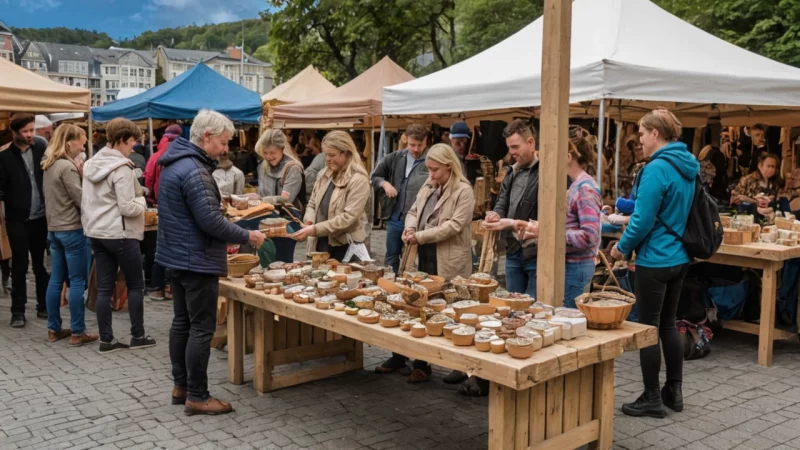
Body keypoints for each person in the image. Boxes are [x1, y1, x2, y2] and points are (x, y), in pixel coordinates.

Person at [158, 109, 265, 415]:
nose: (225, 148)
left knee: (182, 323)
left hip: (178, 256)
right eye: (222, 141)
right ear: (206, 136)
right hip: (196, 259)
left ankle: (181, 386)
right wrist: (248, 236)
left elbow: (193, 213)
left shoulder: (175, 163)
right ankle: (197, 395)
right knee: (201, 328)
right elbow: (210, 222)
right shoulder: (195, 170)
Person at [610, 108, 698, 418]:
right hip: (679, 256)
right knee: (669, 325)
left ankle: (651, 397)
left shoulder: (656, 168)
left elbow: (643, 220)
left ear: (656, 134)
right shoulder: (686, 165)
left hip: (655, 259)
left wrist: (620, 249)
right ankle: (674, 391)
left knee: (648, 328)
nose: (641, 139)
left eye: (643, 133)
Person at [377, 144, 476, 383]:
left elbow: (454, 226)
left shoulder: (464, 191)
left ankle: (459, 365)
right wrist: (411, 227)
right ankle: (415, 360)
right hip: (422, 256)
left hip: (448, 259)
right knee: (416, 306)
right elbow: (413, 210)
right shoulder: (430, 184)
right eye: (429, 169)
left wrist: (420, 235)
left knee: (450, 311)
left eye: (435, 170)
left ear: (450, 167)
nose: (430, 174)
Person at [82, 118, 154, 354]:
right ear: (122, 139)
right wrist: (142, 202)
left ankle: (106, 340)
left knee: (104, 287)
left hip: (97, 231)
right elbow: (127, 207)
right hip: (120, 233)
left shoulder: (91, 163)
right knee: (135, 284)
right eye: (132, 141)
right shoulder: (121, 168)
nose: (133, 147)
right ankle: (138, 335)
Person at [514, 138, 601, 308]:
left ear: (568, 157)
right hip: (571, 266)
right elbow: (571, 227)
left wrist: (548, 232)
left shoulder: (585, 188)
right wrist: (539, 229)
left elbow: (590, 236)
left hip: (577, 268)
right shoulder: (577, 186)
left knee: (570, 323)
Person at [42, 124, 99, 346]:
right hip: (72, 229)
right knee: (77, 282)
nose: (83, 146)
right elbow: (81, 199)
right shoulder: (67, 166)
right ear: (69, 142)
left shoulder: (49, 164)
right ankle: (77, 331)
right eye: (81, 142)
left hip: (55, 229)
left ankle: (53, 329)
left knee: (56, 280)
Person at [0, 114, 50, 327]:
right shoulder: (4, 157)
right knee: (20, 266)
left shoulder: (40, 147)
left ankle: (44, 306)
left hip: (41, 217)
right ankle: (17, 311)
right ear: (15, 133)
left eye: (32, 130)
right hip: (17, 219)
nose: (30, 134)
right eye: (26, 131)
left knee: (41, 264)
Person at [482, 120, 542, 297]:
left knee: (533, 307)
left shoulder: (545, 171)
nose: (512, 152)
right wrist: (495, 214)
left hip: (536, 252)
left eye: (516, 147)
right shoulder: (511, 172)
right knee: (513, 305)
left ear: (530, 142)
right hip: (513, 250)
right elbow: (502, 201)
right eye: (510, 147)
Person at [292, 131, 370, 262]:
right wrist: (310, 220)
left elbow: (348, 218)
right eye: (326, 154)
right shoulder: (323, 174)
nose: (327, 159)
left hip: (344, 245)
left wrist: (315, 229)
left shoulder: (359, 179)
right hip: (320, 242)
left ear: (346, 153)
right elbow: (312, 203)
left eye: (332, 155)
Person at [371, 124, 430, 275]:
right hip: (395, 216)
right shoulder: (394, 157)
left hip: (419, 219)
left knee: (420, 257)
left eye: (419, 145)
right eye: (412, 145)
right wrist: (385, 184)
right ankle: (392, 284)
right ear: (405, 140)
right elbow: (374, 176)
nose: (416, 149)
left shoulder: (431, 160)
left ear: (426, 141)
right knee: (391, 255)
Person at [144, 124, 182, 301]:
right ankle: (170, 287)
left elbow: (148, 179)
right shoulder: (180, 155)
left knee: (159, 247)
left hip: (159, 206)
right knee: (176, 248)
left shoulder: (156, 155)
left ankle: (157, 287)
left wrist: (152, 199)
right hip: (176, 207)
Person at [255, 129, 306, 262]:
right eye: (265, 153)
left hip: (285, 225)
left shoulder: (293, 168)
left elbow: (284, 200)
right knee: (265, 261)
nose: (268, 156)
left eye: (272, 153)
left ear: (282, 149)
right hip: (264, 223)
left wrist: (259, 200)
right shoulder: (262, 166)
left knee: (282, 262)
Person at [731, 153, 782, 223]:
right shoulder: (748, 180)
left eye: (773, 167)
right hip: (747, 218)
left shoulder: (775, 184)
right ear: (760, 166)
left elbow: (776, 204)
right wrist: (754, 202)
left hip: (768, 219)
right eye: (768, 166)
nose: (771, 169)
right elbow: (734, 199)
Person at [144, 124, 183, 206]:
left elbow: (149, 178)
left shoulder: (155, 156)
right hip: (180, 201)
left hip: (160, 200)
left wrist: (150, 199)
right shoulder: (184, 154)